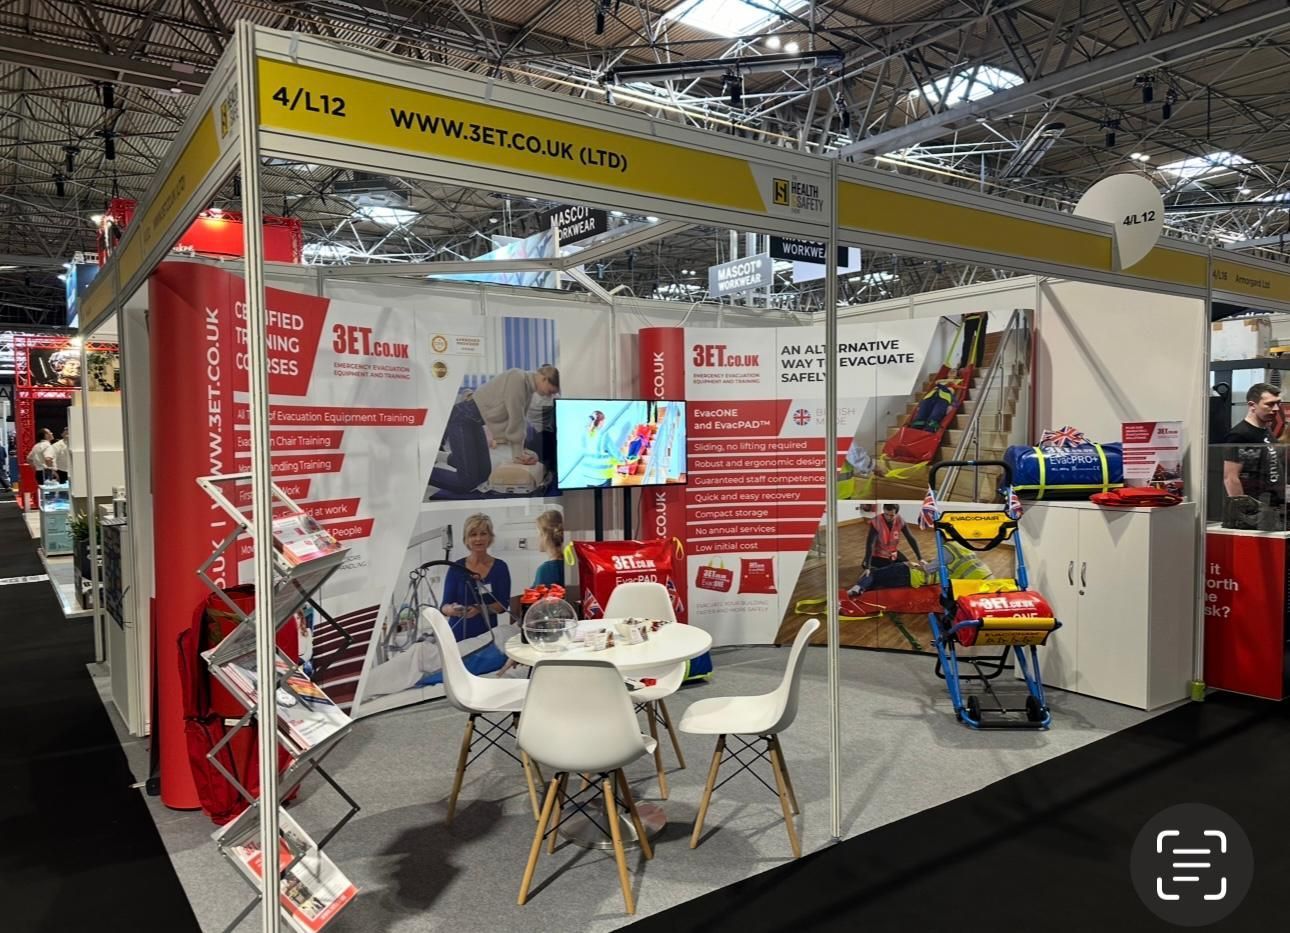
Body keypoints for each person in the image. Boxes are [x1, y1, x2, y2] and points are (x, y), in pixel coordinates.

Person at [431, 365, 560, 493]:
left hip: (474, 422)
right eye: (550, 392)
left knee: (483, 474)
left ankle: (440, 457)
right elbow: (516, 419)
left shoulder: (528, 389)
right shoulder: (518, 379)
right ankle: (423, 472)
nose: (549, 396)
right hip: (461, 419)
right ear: (544, 379)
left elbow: (518, 421)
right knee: (467, 482)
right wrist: (518, 455)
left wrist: (521, 453)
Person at [441, 513, 512, 642]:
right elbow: (444, 607)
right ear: (466, 539)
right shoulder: (456, 568)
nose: (478, 539)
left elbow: (502, 606)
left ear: (490, 537)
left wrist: (479, 609)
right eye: (473, 534)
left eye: (483, 533)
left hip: (487, 637)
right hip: (458, 637)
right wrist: (452, 610)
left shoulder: (500, 567)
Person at [1222, 382, 1284, 530]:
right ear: (1252, 405)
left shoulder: (1265, 431)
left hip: (1272, 508)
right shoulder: (1240, 435)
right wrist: (1247, 514)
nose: (1275, 409)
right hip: (1256, 513)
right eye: (1269, 404)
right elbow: (1230, 478)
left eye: (1277, 404)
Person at [848, 504, 922, 596]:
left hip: (892, 553)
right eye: (886, 514)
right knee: (877, 573)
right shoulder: (877, 521)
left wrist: (920, 558)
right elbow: (870, 544)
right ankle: (859, 586)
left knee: (907, 568)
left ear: (896, 514)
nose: (888, 517)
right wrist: (868, 566)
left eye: (891, 515)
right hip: (878, 555)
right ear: (884, 510)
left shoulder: (900, 520)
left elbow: (911, 538)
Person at [531, 509, 565, 587]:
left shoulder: (546, 570)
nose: (537, 537)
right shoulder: (569, 565)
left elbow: (540, 598)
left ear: (545, 536)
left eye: (538, 533)